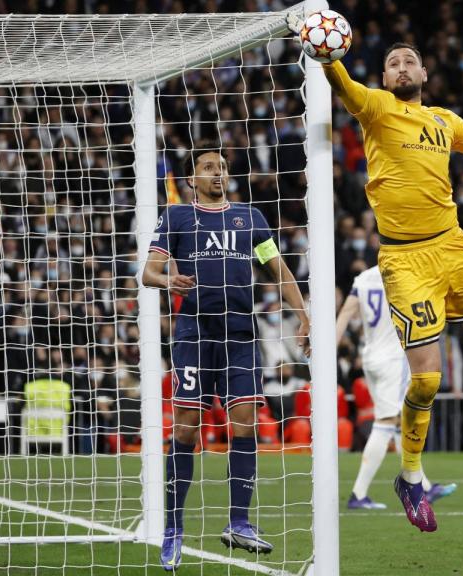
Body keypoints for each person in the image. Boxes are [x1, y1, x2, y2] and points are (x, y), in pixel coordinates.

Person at [288, 13, 463, 533]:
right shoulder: (377, 108)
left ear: (424, 74)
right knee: (426, 379)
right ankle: (409, 476)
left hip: (453, 245)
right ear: (385, 79)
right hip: (405, 259)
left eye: (409, 62)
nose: (401, 67)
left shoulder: (444, 121)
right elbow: (345, 87)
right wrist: (326, 55)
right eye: (392, 63)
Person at [142, 148, 309, 570]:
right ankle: (172, 529)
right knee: (186, 427)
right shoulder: (177, 218)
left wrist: (303, 315)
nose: (219, 174)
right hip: (194, 334)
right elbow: (147, 273)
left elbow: (277, 269)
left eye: (223, 168)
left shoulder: (251, 218)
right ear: (192, 178)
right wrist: (168, 280)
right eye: (209, 168)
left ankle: (239, 521)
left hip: (239, 335)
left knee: (246, 420)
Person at [335, 265, 457, 510]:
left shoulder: (364, 277)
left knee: (399, 420)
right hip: (393, 357)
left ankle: (424, 485)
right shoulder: (406, 273)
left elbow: (346, 313)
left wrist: (329, 349)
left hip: (370, 357)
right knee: (387, 422)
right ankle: (358, 494)